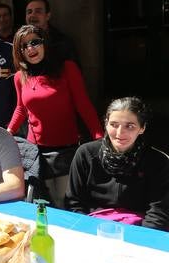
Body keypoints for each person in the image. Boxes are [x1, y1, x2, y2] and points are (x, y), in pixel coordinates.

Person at [65, 97, 169, 230]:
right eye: (114, 124)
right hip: (92, 227)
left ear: (142, 128)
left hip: (139, 230)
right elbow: (73, 202)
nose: (120, 133)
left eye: (129, 126)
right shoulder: (86, 154)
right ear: (106, 123)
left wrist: (137, 240)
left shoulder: (157, 162)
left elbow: (159, 213)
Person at [7, 25, 102, 152]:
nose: (30, 48)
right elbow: (21, 109)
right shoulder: (19, 77)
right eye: (24, 46)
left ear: (44, 43)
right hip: (35, 150)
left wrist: (100, 138)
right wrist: (8, 133)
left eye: (35, 42)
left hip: (67, 148)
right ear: (20, 52)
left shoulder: (68, 68)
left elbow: (83, 105)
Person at [25, 0, 80, 65]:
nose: (32, 15)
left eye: (38, 11)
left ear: (47, 16)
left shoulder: (63, 42)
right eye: (29, 12)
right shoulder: (20, 42)